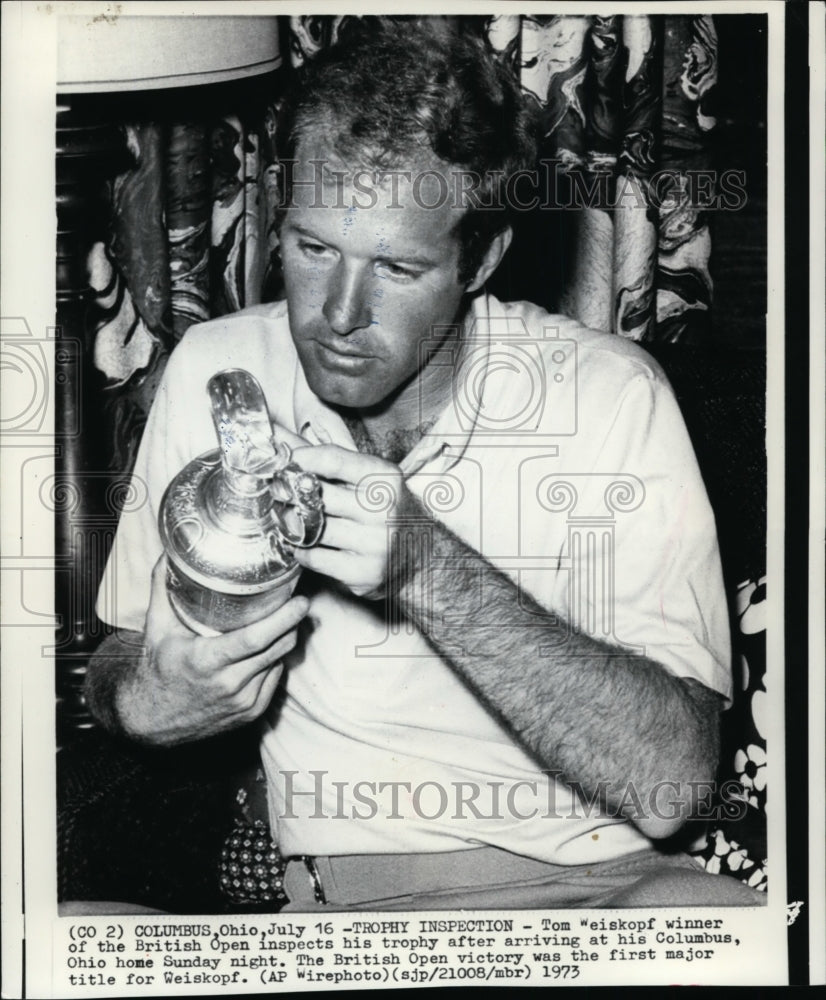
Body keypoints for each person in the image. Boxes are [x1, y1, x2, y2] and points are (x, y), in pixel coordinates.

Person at [86, 21, 763, 910]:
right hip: (355, 912)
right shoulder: (219, 371)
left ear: (481, 258)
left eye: (397, 267)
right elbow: (117, 665)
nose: (338, 312)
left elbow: (673, 786)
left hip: (611, 888)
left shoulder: (610, 394)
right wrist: (150, 699)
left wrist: (423, 566)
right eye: (313, 247)